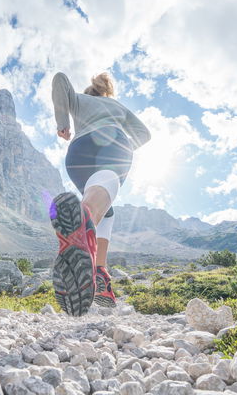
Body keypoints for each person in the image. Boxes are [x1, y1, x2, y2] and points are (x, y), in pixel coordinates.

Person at [49, 71, 151, 316]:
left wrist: (63, 124)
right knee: (106, 184)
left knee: (107, 210)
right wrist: (124, 144)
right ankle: (83, 223)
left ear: (89, 92)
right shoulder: (116, 106)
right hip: (113, 142)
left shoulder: (81, 101)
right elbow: (144, 134)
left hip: (78, 153)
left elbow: (61, 79)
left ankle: (98, 272)